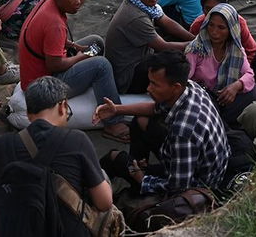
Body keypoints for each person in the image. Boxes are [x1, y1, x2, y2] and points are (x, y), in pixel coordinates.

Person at [92, 51, 230, 200]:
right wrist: (116, 110)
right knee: (140, 121)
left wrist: (142, 179)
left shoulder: (183, 132)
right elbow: (155, 109)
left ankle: (100, 193)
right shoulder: (190, 87)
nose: (148, 89)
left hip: (198, 187)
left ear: (175, 87)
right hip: (197, 163)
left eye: (154, 84)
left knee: (114, 158)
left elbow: (179, 188)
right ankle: (137, 164)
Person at [17, 0, 131, 141]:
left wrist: (71, 45)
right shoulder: (54, 23)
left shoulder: (46, 2)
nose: (79, 2)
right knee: (101, 64)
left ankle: (100, 83)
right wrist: (81, 56)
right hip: (42, 87)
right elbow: (54, 65)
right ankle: (113, 123)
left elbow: (43, 41)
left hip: (42, 73)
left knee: (96, 41)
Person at [0, 75, 115, 216]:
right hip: (64, 229)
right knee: (101, 176)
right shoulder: (77, 141)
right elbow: (104, 203)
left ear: (28, 113)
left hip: (13, 228)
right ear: (63, 106)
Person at [104, 0, 195, 94]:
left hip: (141, 56)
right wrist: (197, 44)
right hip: (128, 77)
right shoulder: (135, 17)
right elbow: (163, 46)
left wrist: (194, 38)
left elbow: (166, 22)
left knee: (175, 37)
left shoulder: (141, 2)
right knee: (174, 62)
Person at [185, 2, 256, 124]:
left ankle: (220, 122)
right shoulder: (196, 48)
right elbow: (185, 79)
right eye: (211, 25)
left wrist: (235, 87)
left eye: (221, 27)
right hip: (202, 98)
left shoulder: (235, 50)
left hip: (224, 98)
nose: (214, 32)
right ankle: (219, 124)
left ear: (230, 29)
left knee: (254, 90)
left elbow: (249, 74)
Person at [188, 0, 256, 62]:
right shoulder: (198, 24)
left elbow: (252, 52)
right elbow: (191, 50)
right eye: (208, 9)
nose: (212, 13)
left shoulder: (239, 23)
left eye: (217, 8)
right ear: (202, 9)